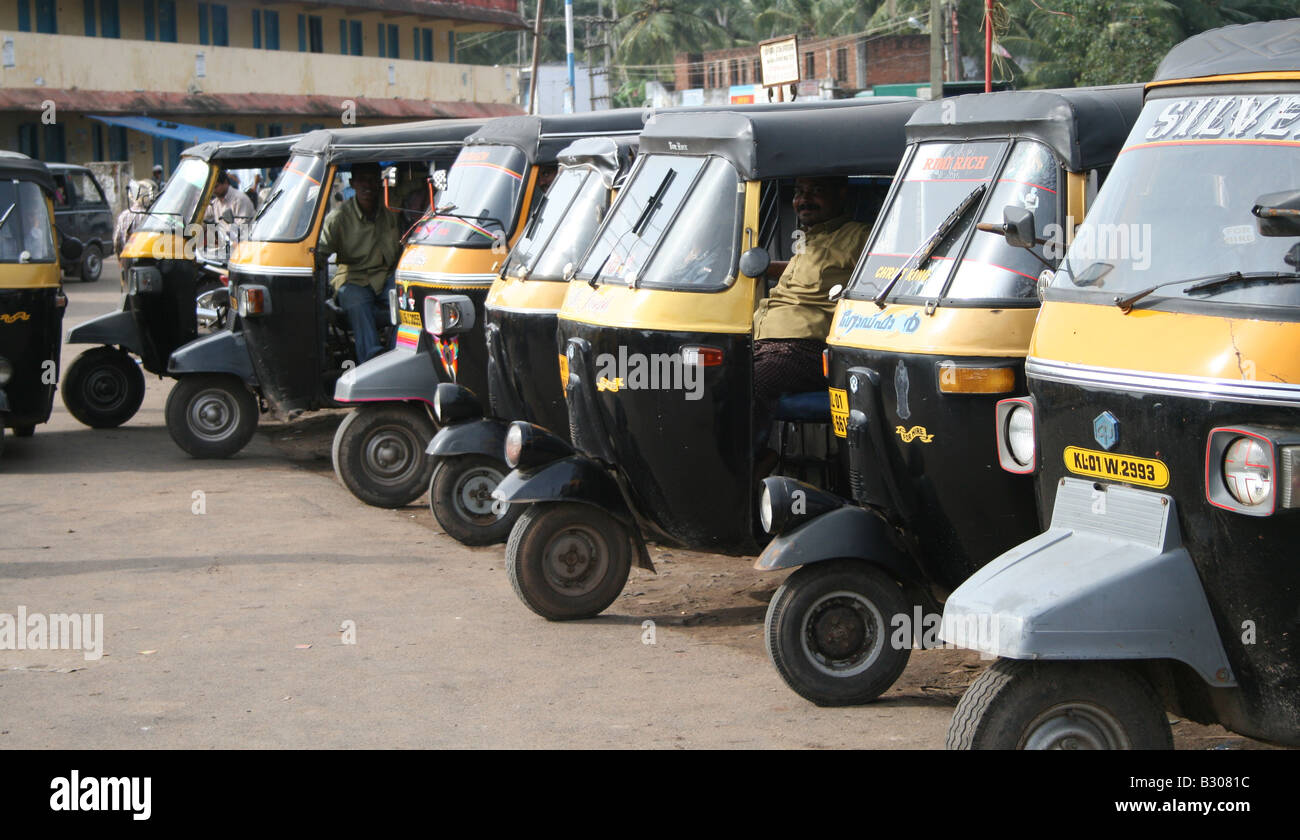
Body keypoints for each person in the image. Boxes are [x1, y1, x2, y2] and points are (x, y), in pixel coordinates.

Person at [751, 175, 870, 471]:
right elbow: (803, 275)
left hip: (808, 350)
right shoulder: (807, 240)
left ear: (841, 193)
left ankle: (748, 465)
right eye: (799, 192)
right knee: (698, 374)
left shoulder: (860, 236)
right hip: (762, 343)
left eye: (816, 191)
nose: (804, 200)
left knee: (750, 381)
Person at [316, 163, 403, 363]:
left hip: (385, 277)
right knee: (357, 303)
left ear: (380, 183)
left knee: (406, 299)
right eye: (362, 181)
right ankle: (372, 360)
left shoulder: (390, 210)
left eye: (372, 180)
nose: (368, 186)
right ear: (353, 184)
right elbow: (320, 253)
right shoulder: (338, 218)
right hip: (354, 278)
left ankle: (399, 356)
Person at [207, 170, 255, 253]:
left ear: (225, 182)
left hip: (244, 247)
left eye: (216, 187)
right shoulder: (215, 202)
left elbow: (242, 229)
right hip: (226, 246)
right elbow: (204, 217)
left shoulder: (239, 199)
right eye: (211, 188)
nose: (214, 191)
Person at [113, 179, 157, 260]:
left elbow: (117, 241)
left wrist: (120, 259)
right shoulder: (152, 216)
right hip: (148, 259)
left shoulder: (123, 215)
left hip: (128, 258)